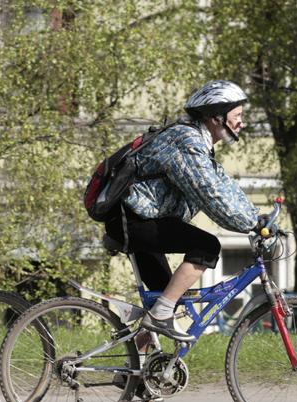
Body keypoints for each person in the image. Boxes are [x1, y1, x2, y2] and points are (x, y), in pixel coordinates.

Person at [104, 80, 260, 347]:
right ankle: (160, 317)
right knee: (207, 246)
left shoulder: (199, 143)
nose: (241, 123)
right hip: (132, 219)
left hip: (140, 219)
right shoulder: (185, 142)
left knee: (166, 297)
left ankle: (134, 373)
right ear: (216, 117)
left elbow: (224, 185)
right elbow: (211, 194)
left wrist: (257, 217)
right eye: (238, 116)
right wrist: (252, 224)